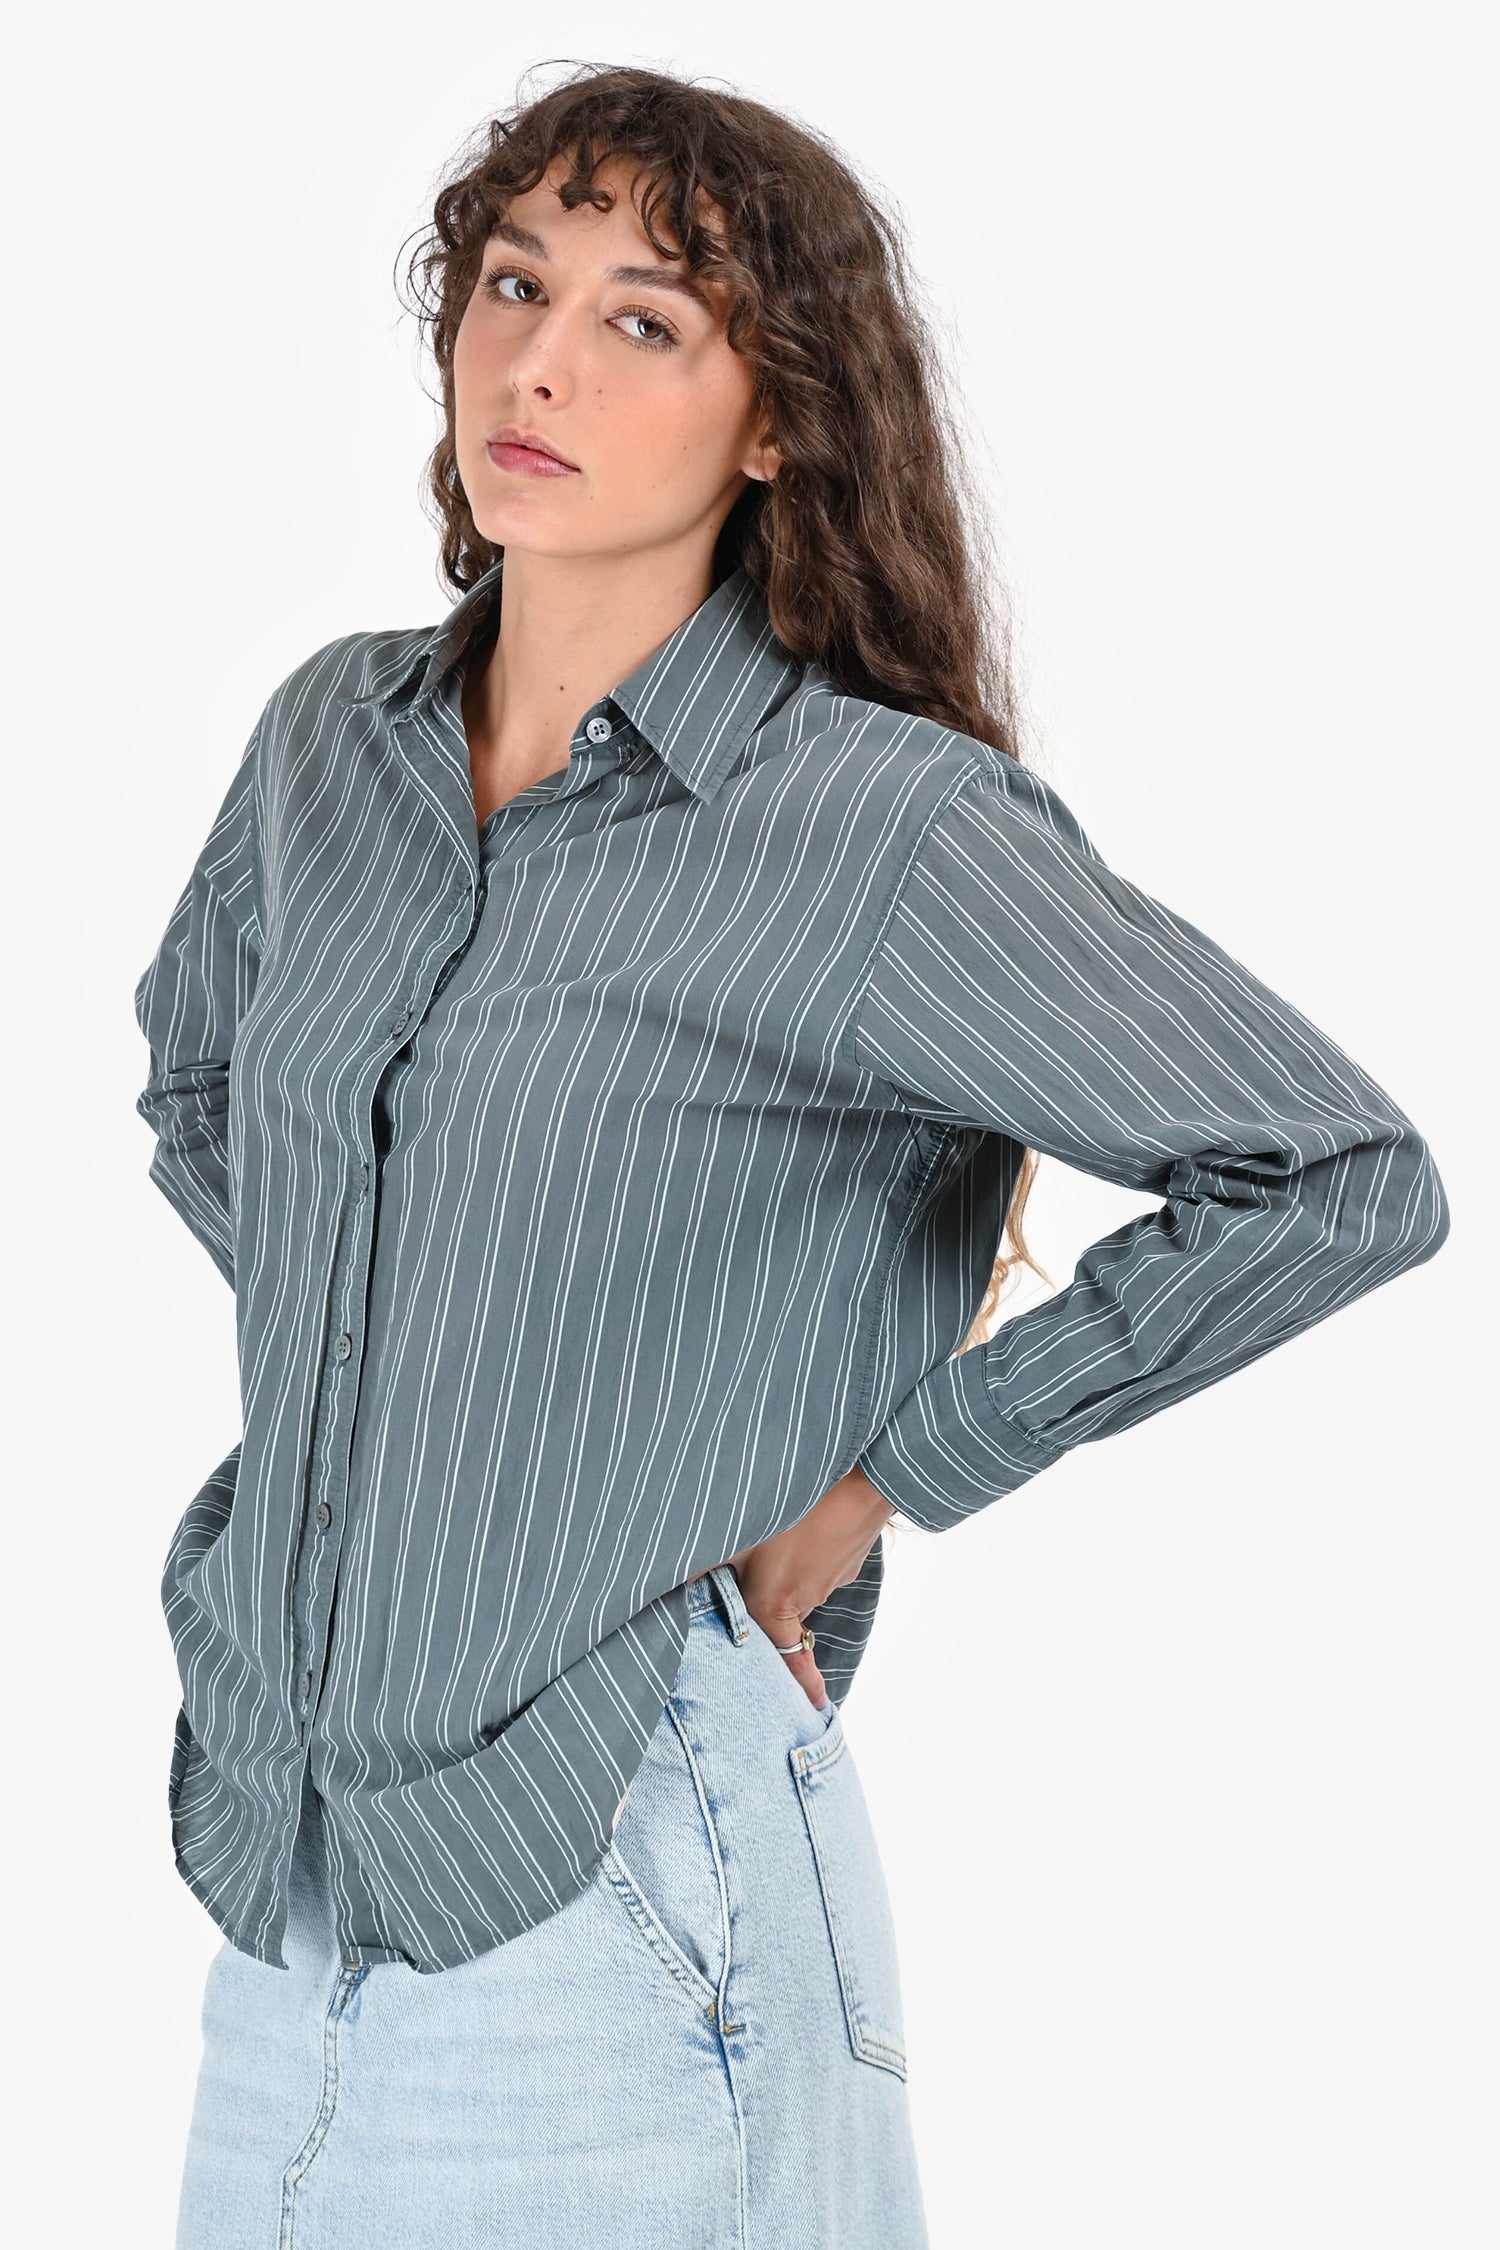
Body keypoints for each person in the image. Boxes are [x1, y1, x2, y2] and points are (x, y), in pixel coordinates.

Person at [133, 63, 1450, 2250]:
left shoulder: (870, 828)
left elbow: (1333, 1172)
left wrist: (885, 1478)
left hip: (619, 1869)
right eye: (512, 286)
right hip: (283, 1880)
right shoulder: (329, 746)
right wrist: (431, 1352)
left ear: (776, 422)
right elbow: (202, 1084)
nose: (539, 363)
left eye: (645, 321)